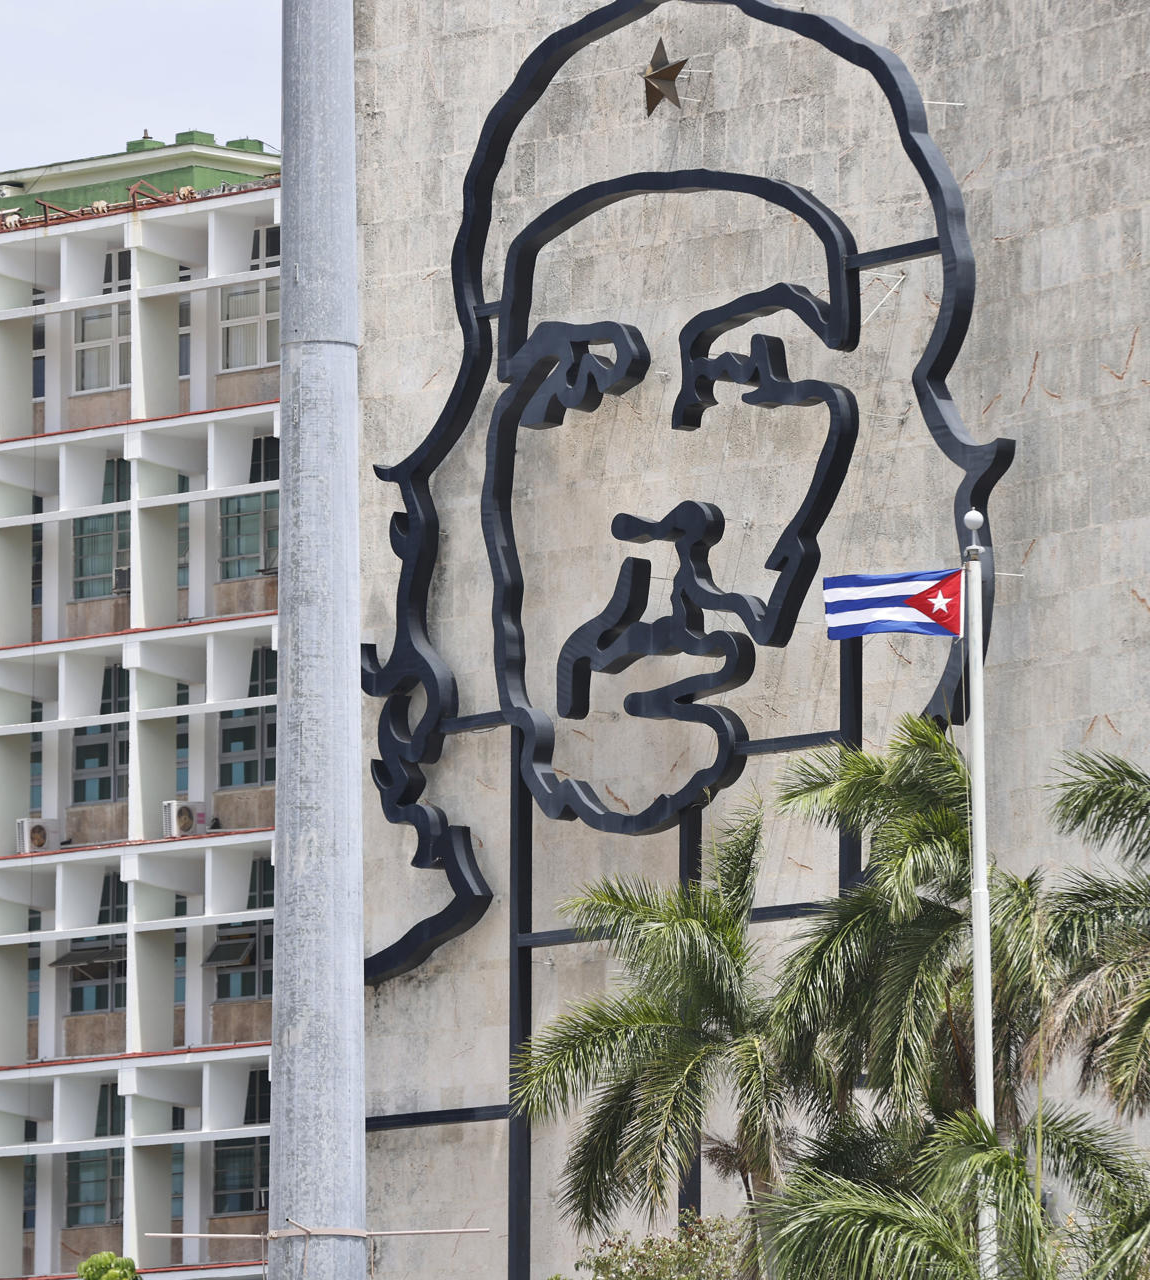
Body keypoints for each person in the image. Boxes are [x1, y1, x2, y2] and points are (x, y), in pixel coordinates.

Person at [363, 0, 1014, 983]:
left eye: (754, 378)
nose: (671, 512)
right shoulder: (355, 993)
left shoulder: (987, 994)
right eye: (579, 385)